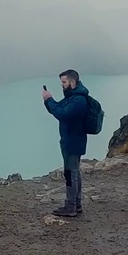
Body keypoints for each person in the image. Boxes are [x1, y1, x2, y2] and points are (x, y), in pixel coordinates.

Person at [42, 69, 90, 218]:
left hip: (73, 142)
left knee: (71, 173)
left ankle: (71, 207)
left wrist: (49, 100)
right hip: (72, 140)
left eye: (64, 82)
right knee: (74, 172)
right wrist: (48, 101)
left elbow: (62, 114)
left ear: (72, 82)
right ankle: (76, 204)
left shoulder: (78, 100)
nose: (62, 85)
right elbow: (58, 109)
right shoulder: (73, 97)